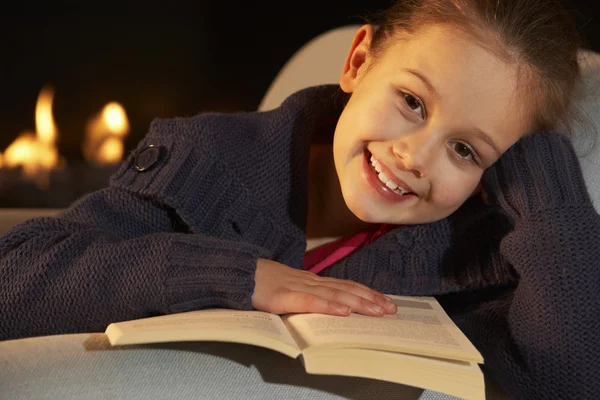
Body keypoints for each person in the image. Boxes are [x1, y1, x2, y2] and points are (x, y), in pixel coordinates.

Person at [1, 0, 599, 398]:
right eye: (412, 103)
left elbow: (568, 382)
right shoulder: (208, 160)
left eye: (466, 150)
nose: (414, 156)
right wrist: (237, 277)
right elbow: (13, 282)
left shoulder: (476, 255)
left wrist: (547, 180)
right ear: (359, 61)